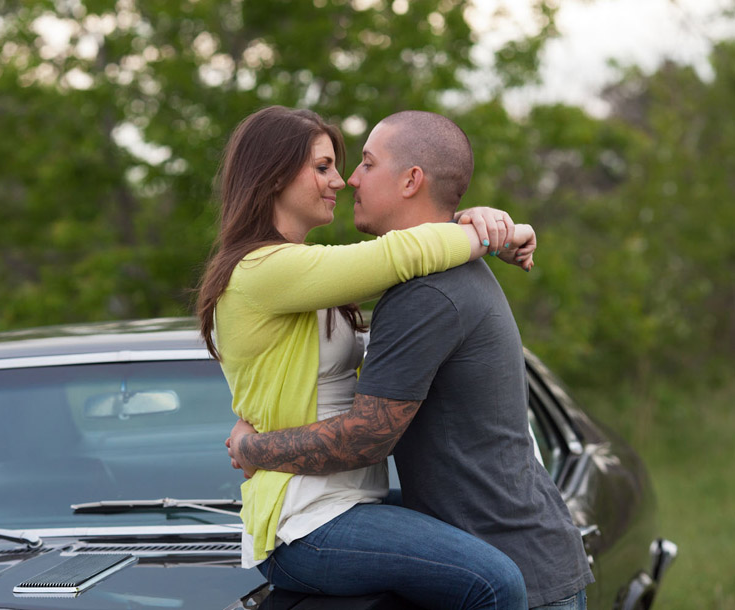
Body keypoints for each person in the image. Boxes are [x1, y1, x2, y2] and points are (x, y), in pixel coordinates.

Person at [227, 111, 595, 609]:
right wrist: (490, 231)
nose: (346, 178)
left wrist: (254, 449)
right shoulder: (270, 271)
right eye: (324, 167)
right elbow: (396, 256)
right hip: (314, 512)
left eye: (364, 163)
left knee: (491, 580)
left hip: (510, 561)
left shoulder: (424, 292)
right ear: (273, 176)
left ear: (411, 180)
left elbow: (367, 433)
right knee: (489, 578)